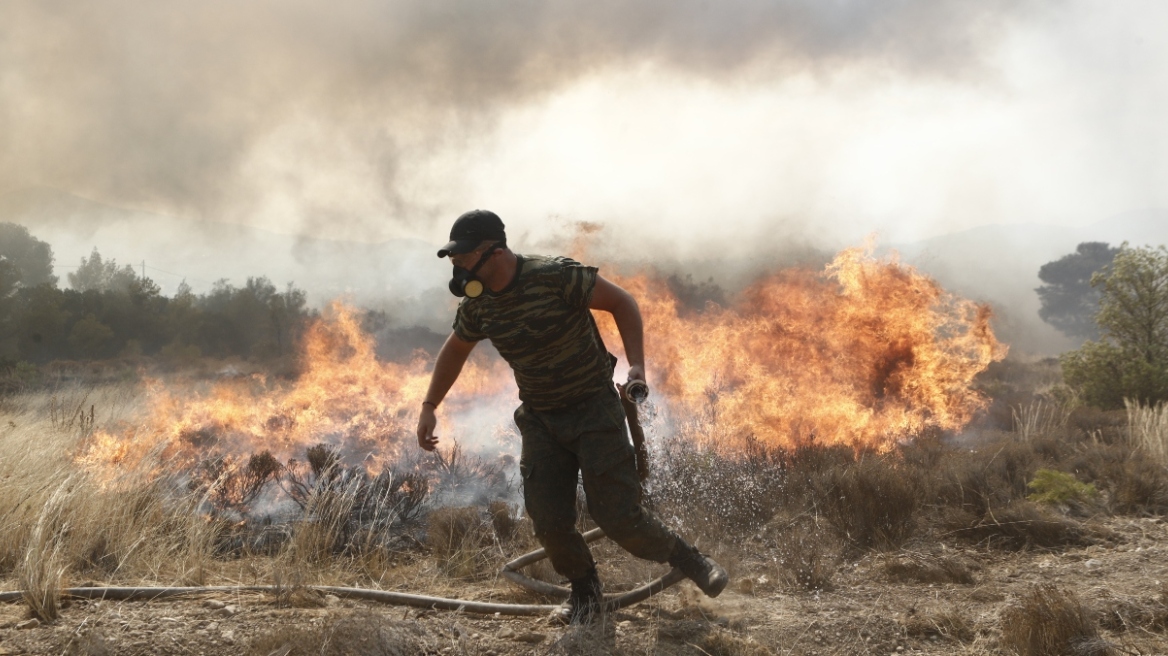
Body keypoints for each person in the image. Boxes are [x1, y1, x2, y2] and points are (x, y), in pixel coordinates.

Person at [415, 209, 727, 624]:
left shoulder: (555, 276)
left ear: (493, 252)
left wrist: (637, 366)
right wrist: (429, 406)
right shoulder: (479, 306)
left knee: (618, 518)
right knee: (547, 517)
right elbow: (455, 350)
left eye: (463, 256)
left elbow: (621, 302)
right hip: (541, 418)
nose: (457, 266)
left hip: (593, 409)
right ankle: (586, 592)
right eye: (454, 259)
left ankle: (690, 559)